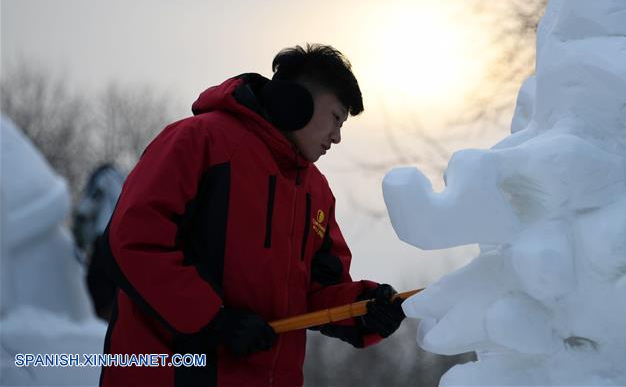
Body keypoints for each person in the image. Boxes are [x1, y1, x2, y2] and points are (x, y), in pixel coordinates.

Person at [97, 44, 405, 386]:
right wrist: (213, 320)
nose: (337, 136)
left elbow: (319, 291)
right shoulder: (199, 141)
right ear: (296, 101)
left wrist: (364, 310)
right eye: (336, 118)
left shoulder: (316, 193)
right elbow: (134, 242)